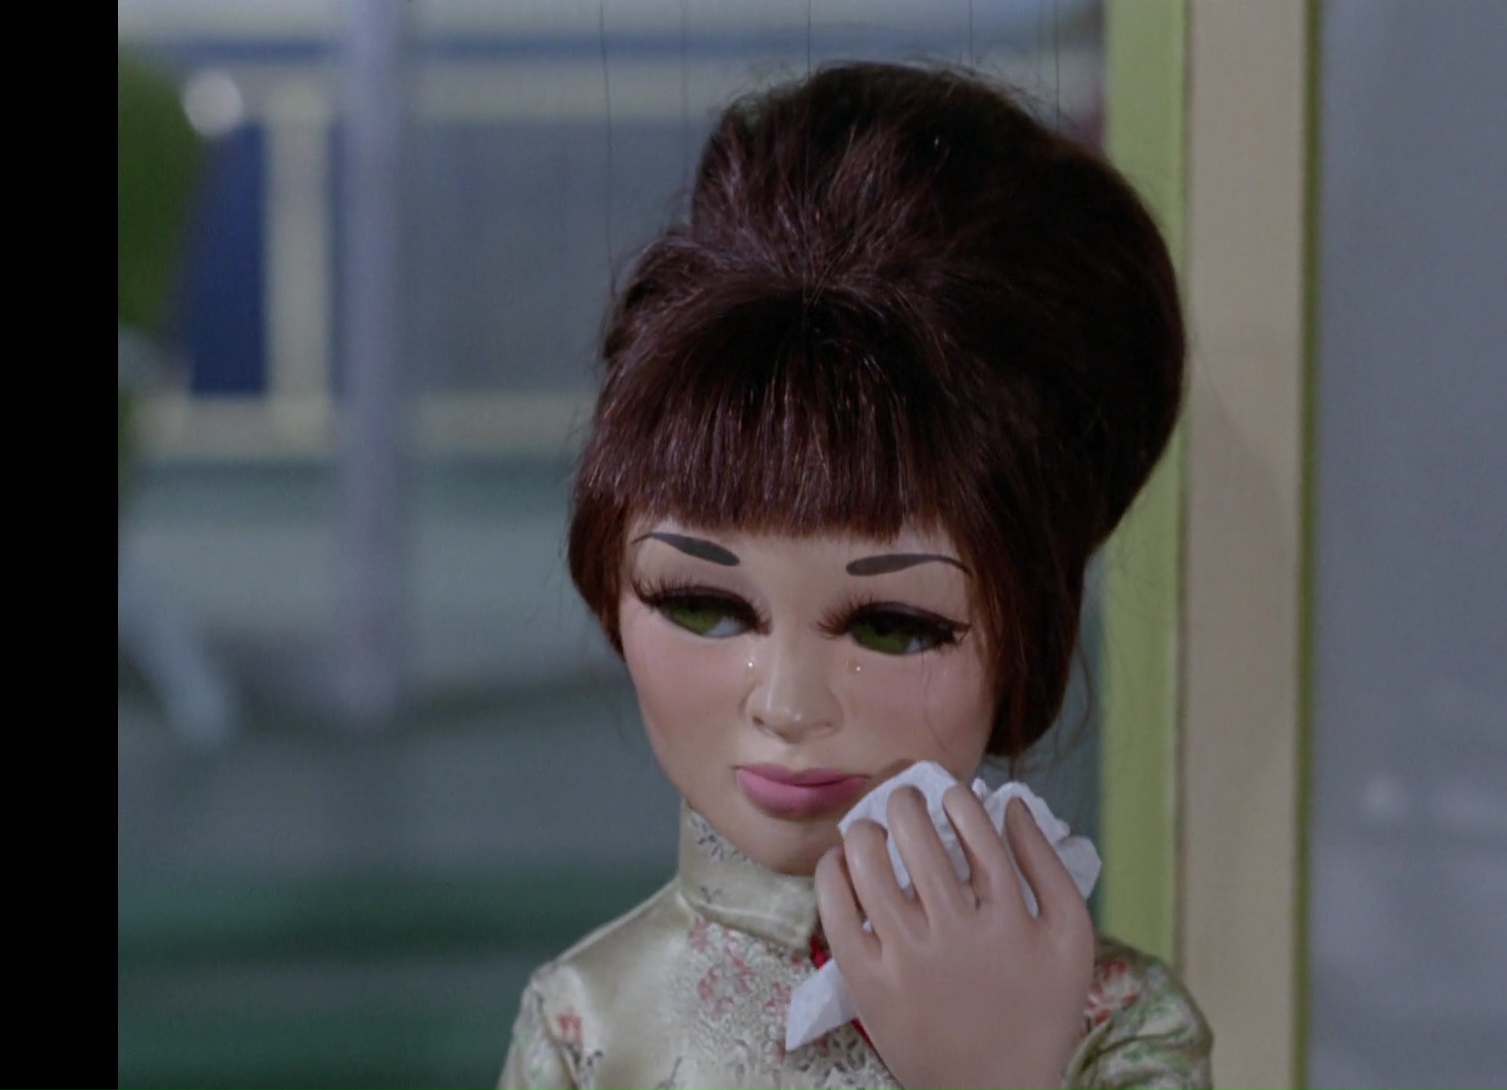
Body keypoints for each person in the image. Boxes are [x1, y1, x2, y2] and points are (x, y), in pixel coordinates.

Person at [499, 62, 1212, 1090]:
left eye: (891, 625)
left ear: (1027, 631)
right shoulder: (587, 1018)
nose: (789, 704)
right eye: (702, 605)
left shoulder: (1118, 1029)